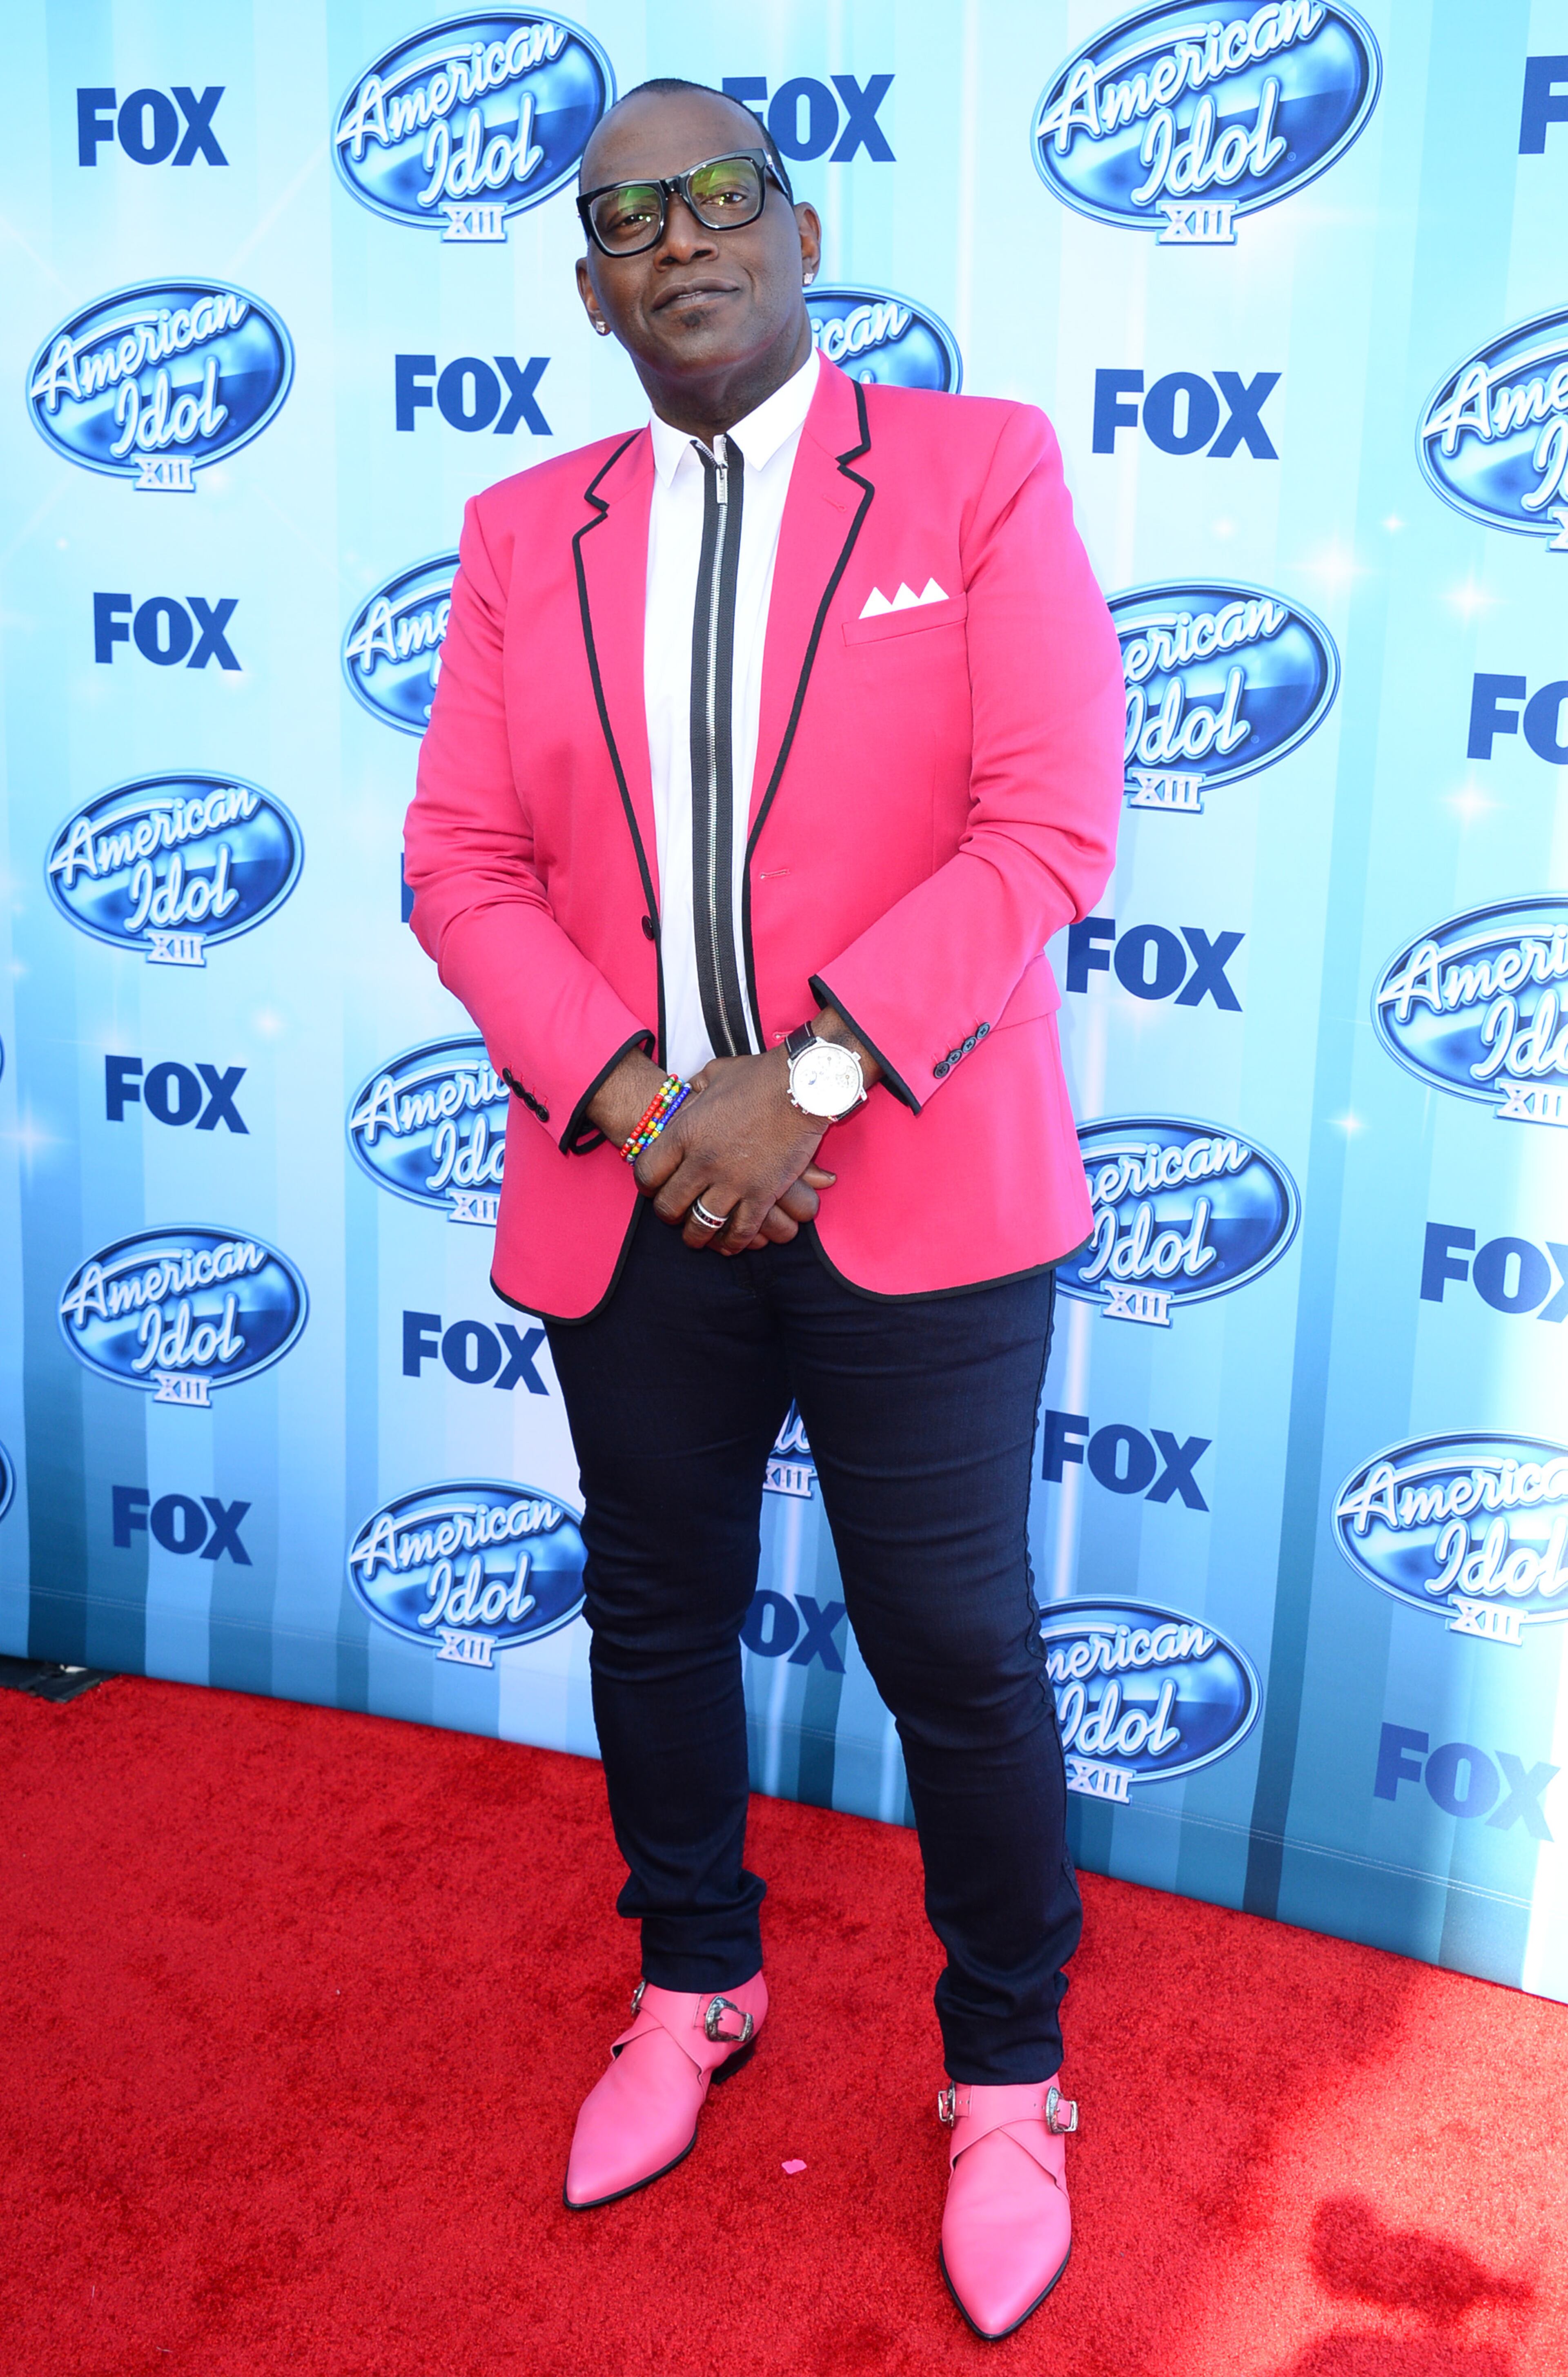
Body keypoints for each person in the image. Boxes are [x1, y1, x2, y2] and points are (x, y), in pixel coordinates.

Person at [403, 77, 1122, 2343]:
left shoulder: (979, 472)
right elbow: (461, 865)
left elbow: (1048, 826)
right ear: (590, 288)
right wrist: (649, 1111)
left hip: (913, 1178)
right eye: (632, 221)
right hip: (634, 1195)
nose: (684, 242)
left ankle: (1005, 2072)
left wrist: (796, 1090)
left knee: (958, 1648)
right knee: (652, 1611)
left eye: (725, 198)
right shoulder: (520, 532)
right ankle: (695, 1980)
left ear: (801, 236)